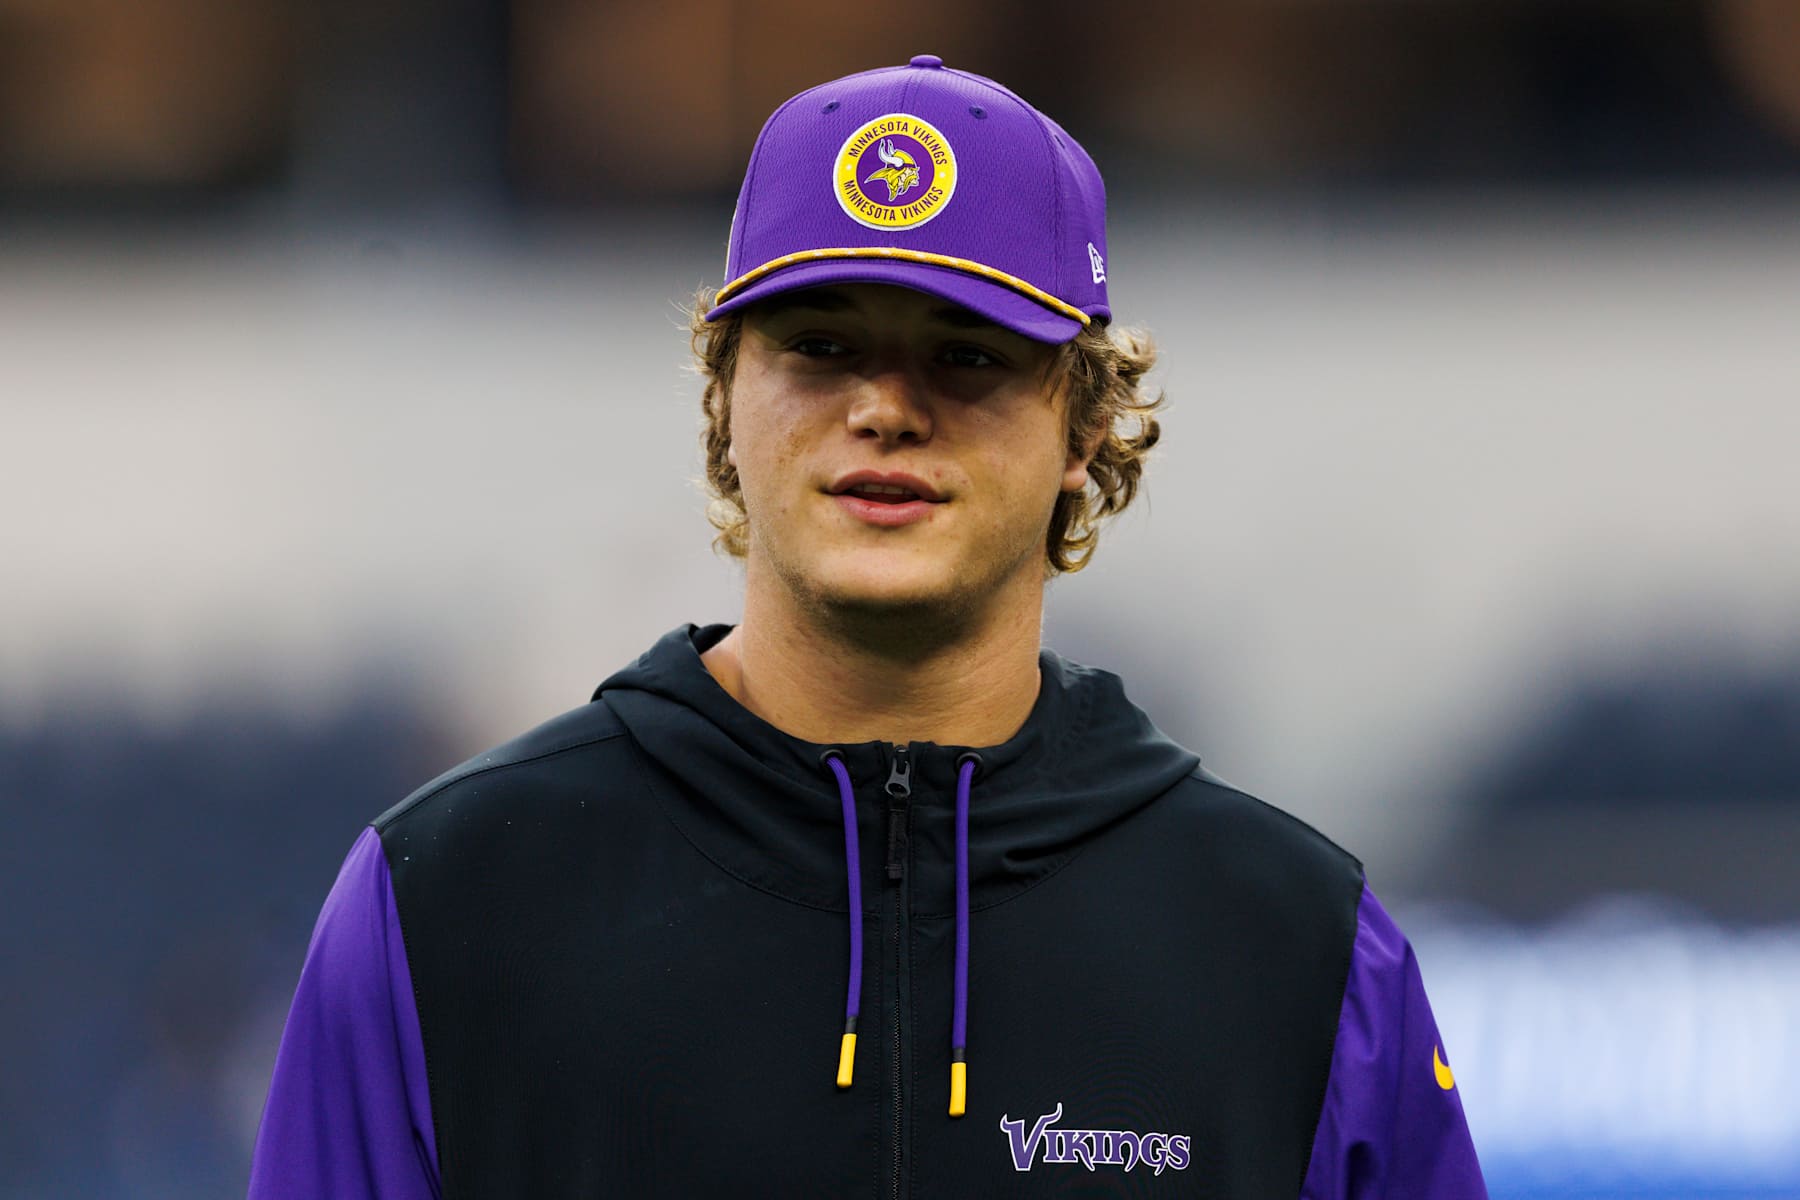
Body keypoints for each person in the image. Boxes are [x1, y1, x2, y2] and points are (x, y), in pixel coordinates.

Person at [248, 56, 1487, 1198]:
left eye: (968, 354)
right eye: (823, 346)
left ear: (1088, 427)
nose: (886, 408)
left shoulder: (1294, 945)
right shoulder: (449, 897)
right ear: (726, 396)